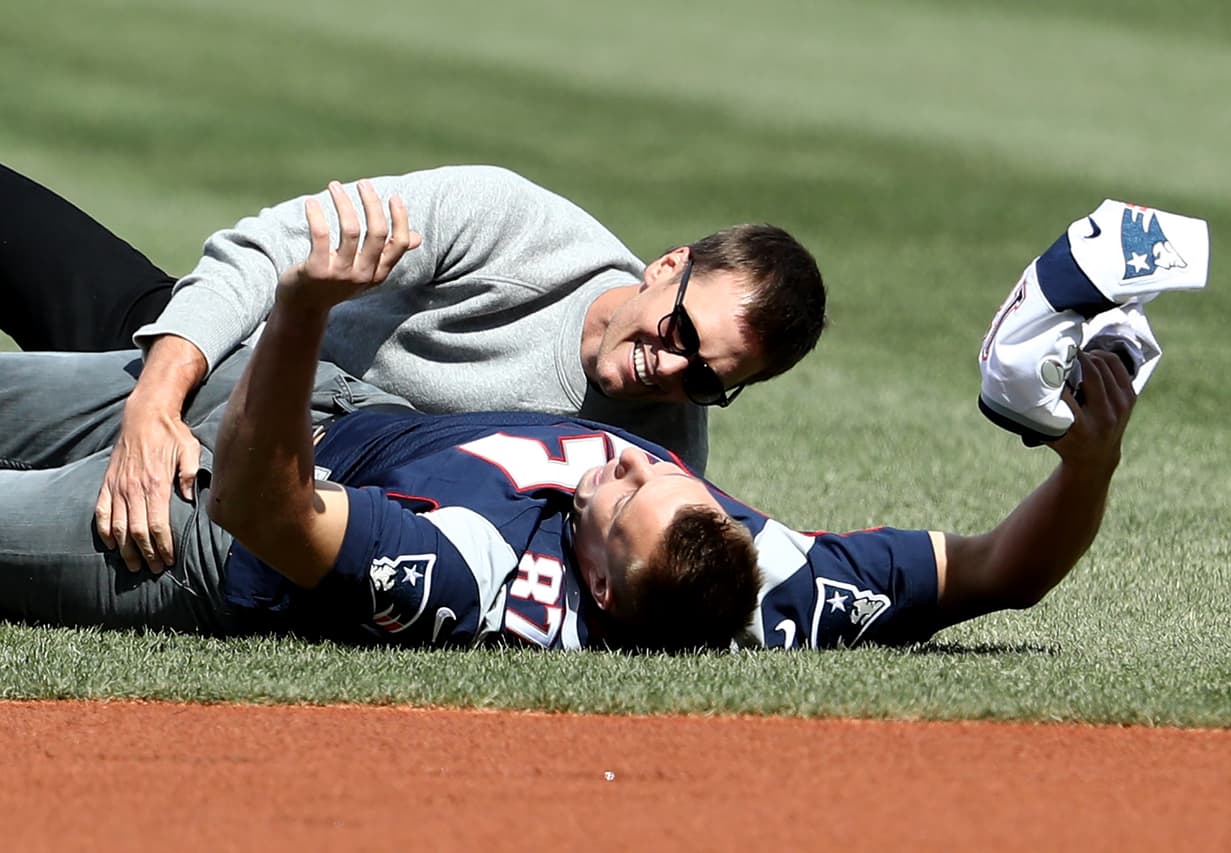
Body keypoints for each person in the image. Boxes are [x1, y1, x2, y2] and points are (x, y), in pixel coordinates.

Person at [0, 178, 1138, 651]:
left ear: (592, 579)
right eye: (669, 479)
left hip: (219, 507)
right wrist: (1085, 465)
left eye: (623, 495)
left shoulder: (474, 568)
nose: (635, 460)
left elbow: (263, 504)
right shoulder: (764, 575)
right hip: (241, 375)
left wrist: (303, 315)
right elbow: (994, 572)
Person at [0, 163, 827, 574]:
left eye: (707, 378)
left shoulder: (651, 464)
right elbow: (270, 249)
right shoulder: (514, 224)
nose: (668, 367)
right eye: (680, 327)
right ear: (667, 265)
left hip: (258, 481)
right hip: (215, 364)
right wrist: (156, 399)